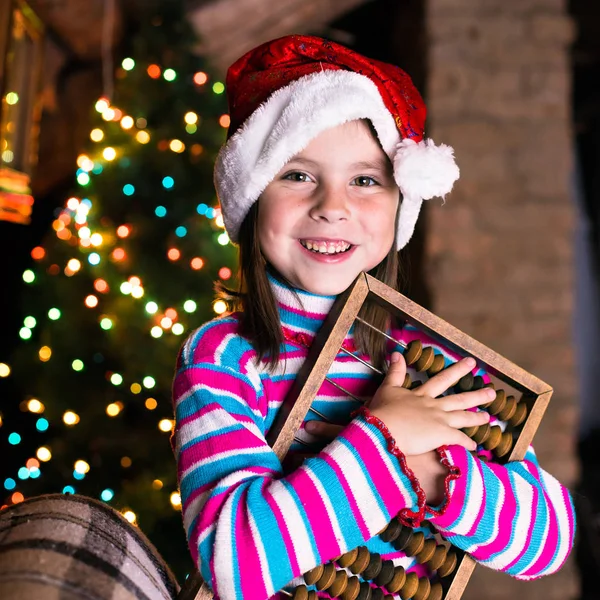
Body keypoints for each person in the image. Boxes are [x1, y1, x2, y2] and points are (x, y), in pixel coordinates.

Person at [172, 35, 576, 600]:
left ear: (398, 206)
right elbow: (233, 561)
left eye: (364, 180)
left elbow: (548, 540)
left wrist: (431, 471)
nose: (332, 206)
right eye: (296, 175)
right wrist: (387, 441)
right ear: (253, 196)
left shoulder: (432, 361)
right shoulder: (224, 357)